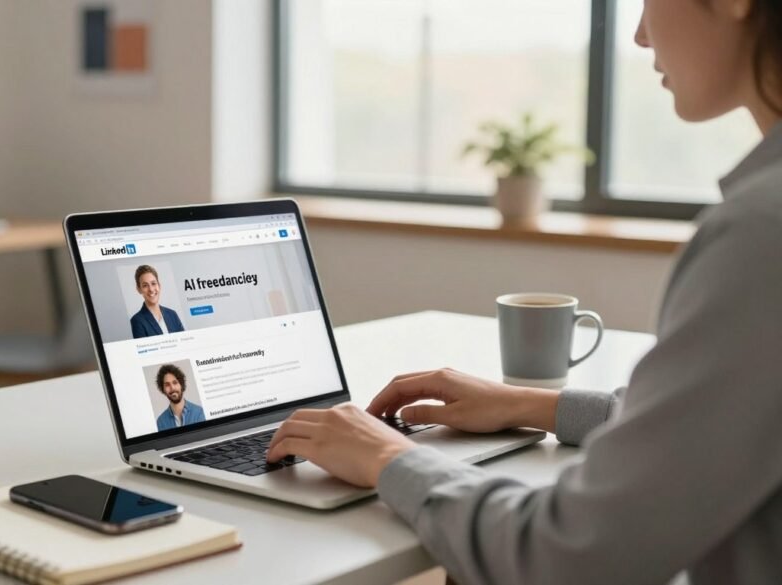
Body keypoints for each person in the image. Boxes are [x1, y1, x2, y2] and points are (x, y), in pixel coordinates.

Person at [267, 2, 782, 583]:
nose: (638, 34)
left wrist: (388, 457)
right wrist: (530, 404)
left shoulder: (761, 235)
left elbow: (566, 555)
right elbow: (717, 422)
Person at [130, 265, 185, 339]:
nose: (151, 289)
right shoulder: (137, 321)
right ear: (139, 289)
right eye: (145, 285)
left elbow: (185, 343)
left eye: (153, 283)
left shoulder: (172, 315)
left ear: (159, 285)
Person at [154, 364, 205, 431]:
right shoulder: (161, 421)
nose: (172, 388)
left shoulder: (199, 412)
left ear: (181, 385)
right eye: (167, 385)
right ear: (163, 390)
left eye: (175, 383)